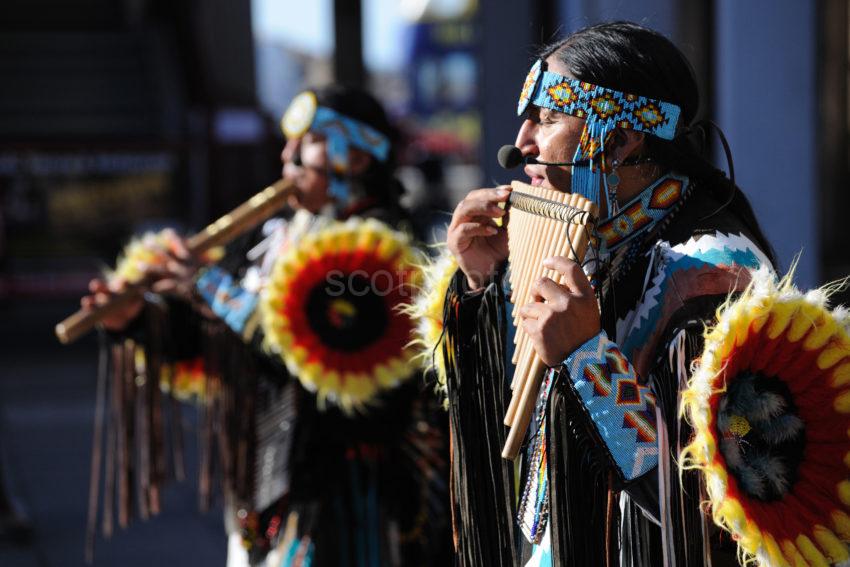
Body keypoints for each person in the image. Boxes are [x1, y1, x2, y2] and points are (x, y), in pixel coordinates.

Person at [422, 21, 782, 566]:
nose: (519, 144)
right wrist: (481, 282)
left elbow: (712, 501)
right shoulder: (595, 241)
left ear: (618, 138)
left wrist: (588, 356)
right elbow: (514, 425)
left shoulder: (716, 271)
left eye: (547, 117)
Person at [82, 85, 450, 567]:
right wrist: (137, 319)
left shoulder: (384, 251)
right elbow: (229, 342)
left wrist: (208, 283)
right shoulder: (280, 237)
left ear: (358, 159)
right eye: (288, 140)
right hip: (272, 483)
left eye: (307, 141)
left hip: (349, 495)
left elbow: (310, 349)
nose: (288, 154)